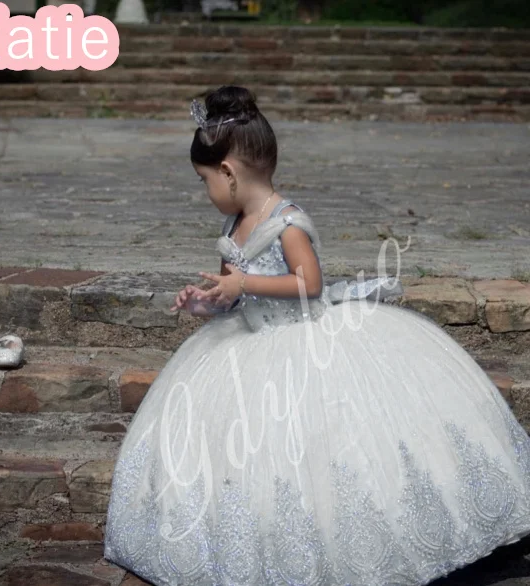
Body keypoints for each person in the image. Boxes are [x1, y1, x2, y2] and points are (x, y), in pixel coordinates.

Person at [104, 85, 530, 585]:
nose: (206, 192)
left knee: (327, 447)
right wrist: (211, 299)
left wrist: (244, 280)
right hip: (248, 343)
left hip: (305, 340)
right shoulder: (233, 223)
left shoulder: (288, 224)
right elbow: (237, 296)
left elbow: (309, 283)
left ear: (229, 172)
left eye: (204, 180)